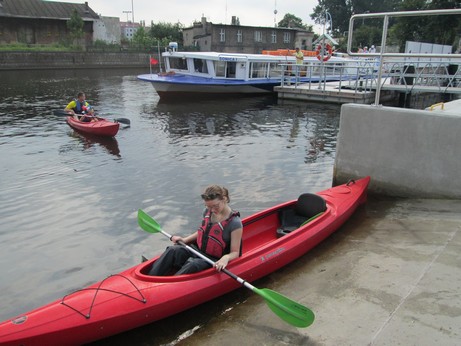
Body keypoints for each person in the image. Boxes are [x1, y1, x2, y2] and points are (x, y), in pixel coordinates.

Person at [148, 185, 243, 276]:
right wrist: (185, 240)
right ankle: (151, 277)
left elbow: (235, 252)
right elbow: (204, 232)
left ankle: (169, 286)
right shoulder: (207, 212)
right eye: (208, 206)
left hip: (213, 260)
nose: (212, 210)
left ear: (225, 199)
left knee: (193, 264)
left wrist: (226, 258)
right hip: (197, 251)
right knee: (173, 250)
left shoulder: (235, 223)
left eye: (216, 206)